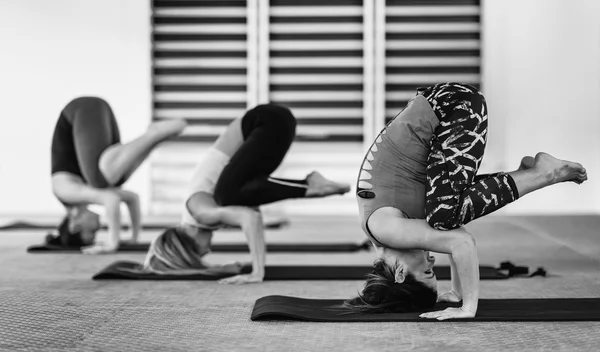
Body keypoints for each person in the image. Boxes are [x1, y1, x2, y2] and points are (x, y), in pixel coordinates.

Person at [344, 82, 587, 319]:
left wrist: (467, 307)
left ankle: (542, 173)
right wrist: (456, 292)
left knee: (442, 217)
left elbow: (461, 242)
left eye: (427, 270)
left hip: (455, 109)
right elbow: (454, 232)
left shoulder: (389, 231)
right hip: (449, 106)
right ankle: (525, 175)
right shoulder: (383, 229)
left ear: (399, 273)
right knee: (444, 216)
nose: (431, 259)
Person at [142, 103, 351, 284]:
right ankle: (311, 185)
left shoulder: (201, 213)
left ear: (186, 248)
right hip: (274, 123)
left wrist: (257, 272)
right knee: (237, 198)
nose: (207, 253)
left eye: (197, 256)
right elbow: (253, 212)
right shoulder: (205, 211)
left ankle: (310, 186)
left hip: (265, 122)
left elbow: (249, 218)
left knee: (229, 198)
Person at [47, 96, 186, 253]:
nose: (98, 228)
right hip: (93, 111)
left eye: (92, 232)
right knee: (117, 178)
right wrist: (134, 238)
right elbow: (132, 198)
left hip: (81, 110)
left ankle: (153, 134)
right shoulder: (80, 197)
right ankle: (154, 139)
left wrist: (113, 243)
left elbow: (111, 200)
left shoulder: (65, 192)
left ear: (75, 225)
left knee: (100, 181)